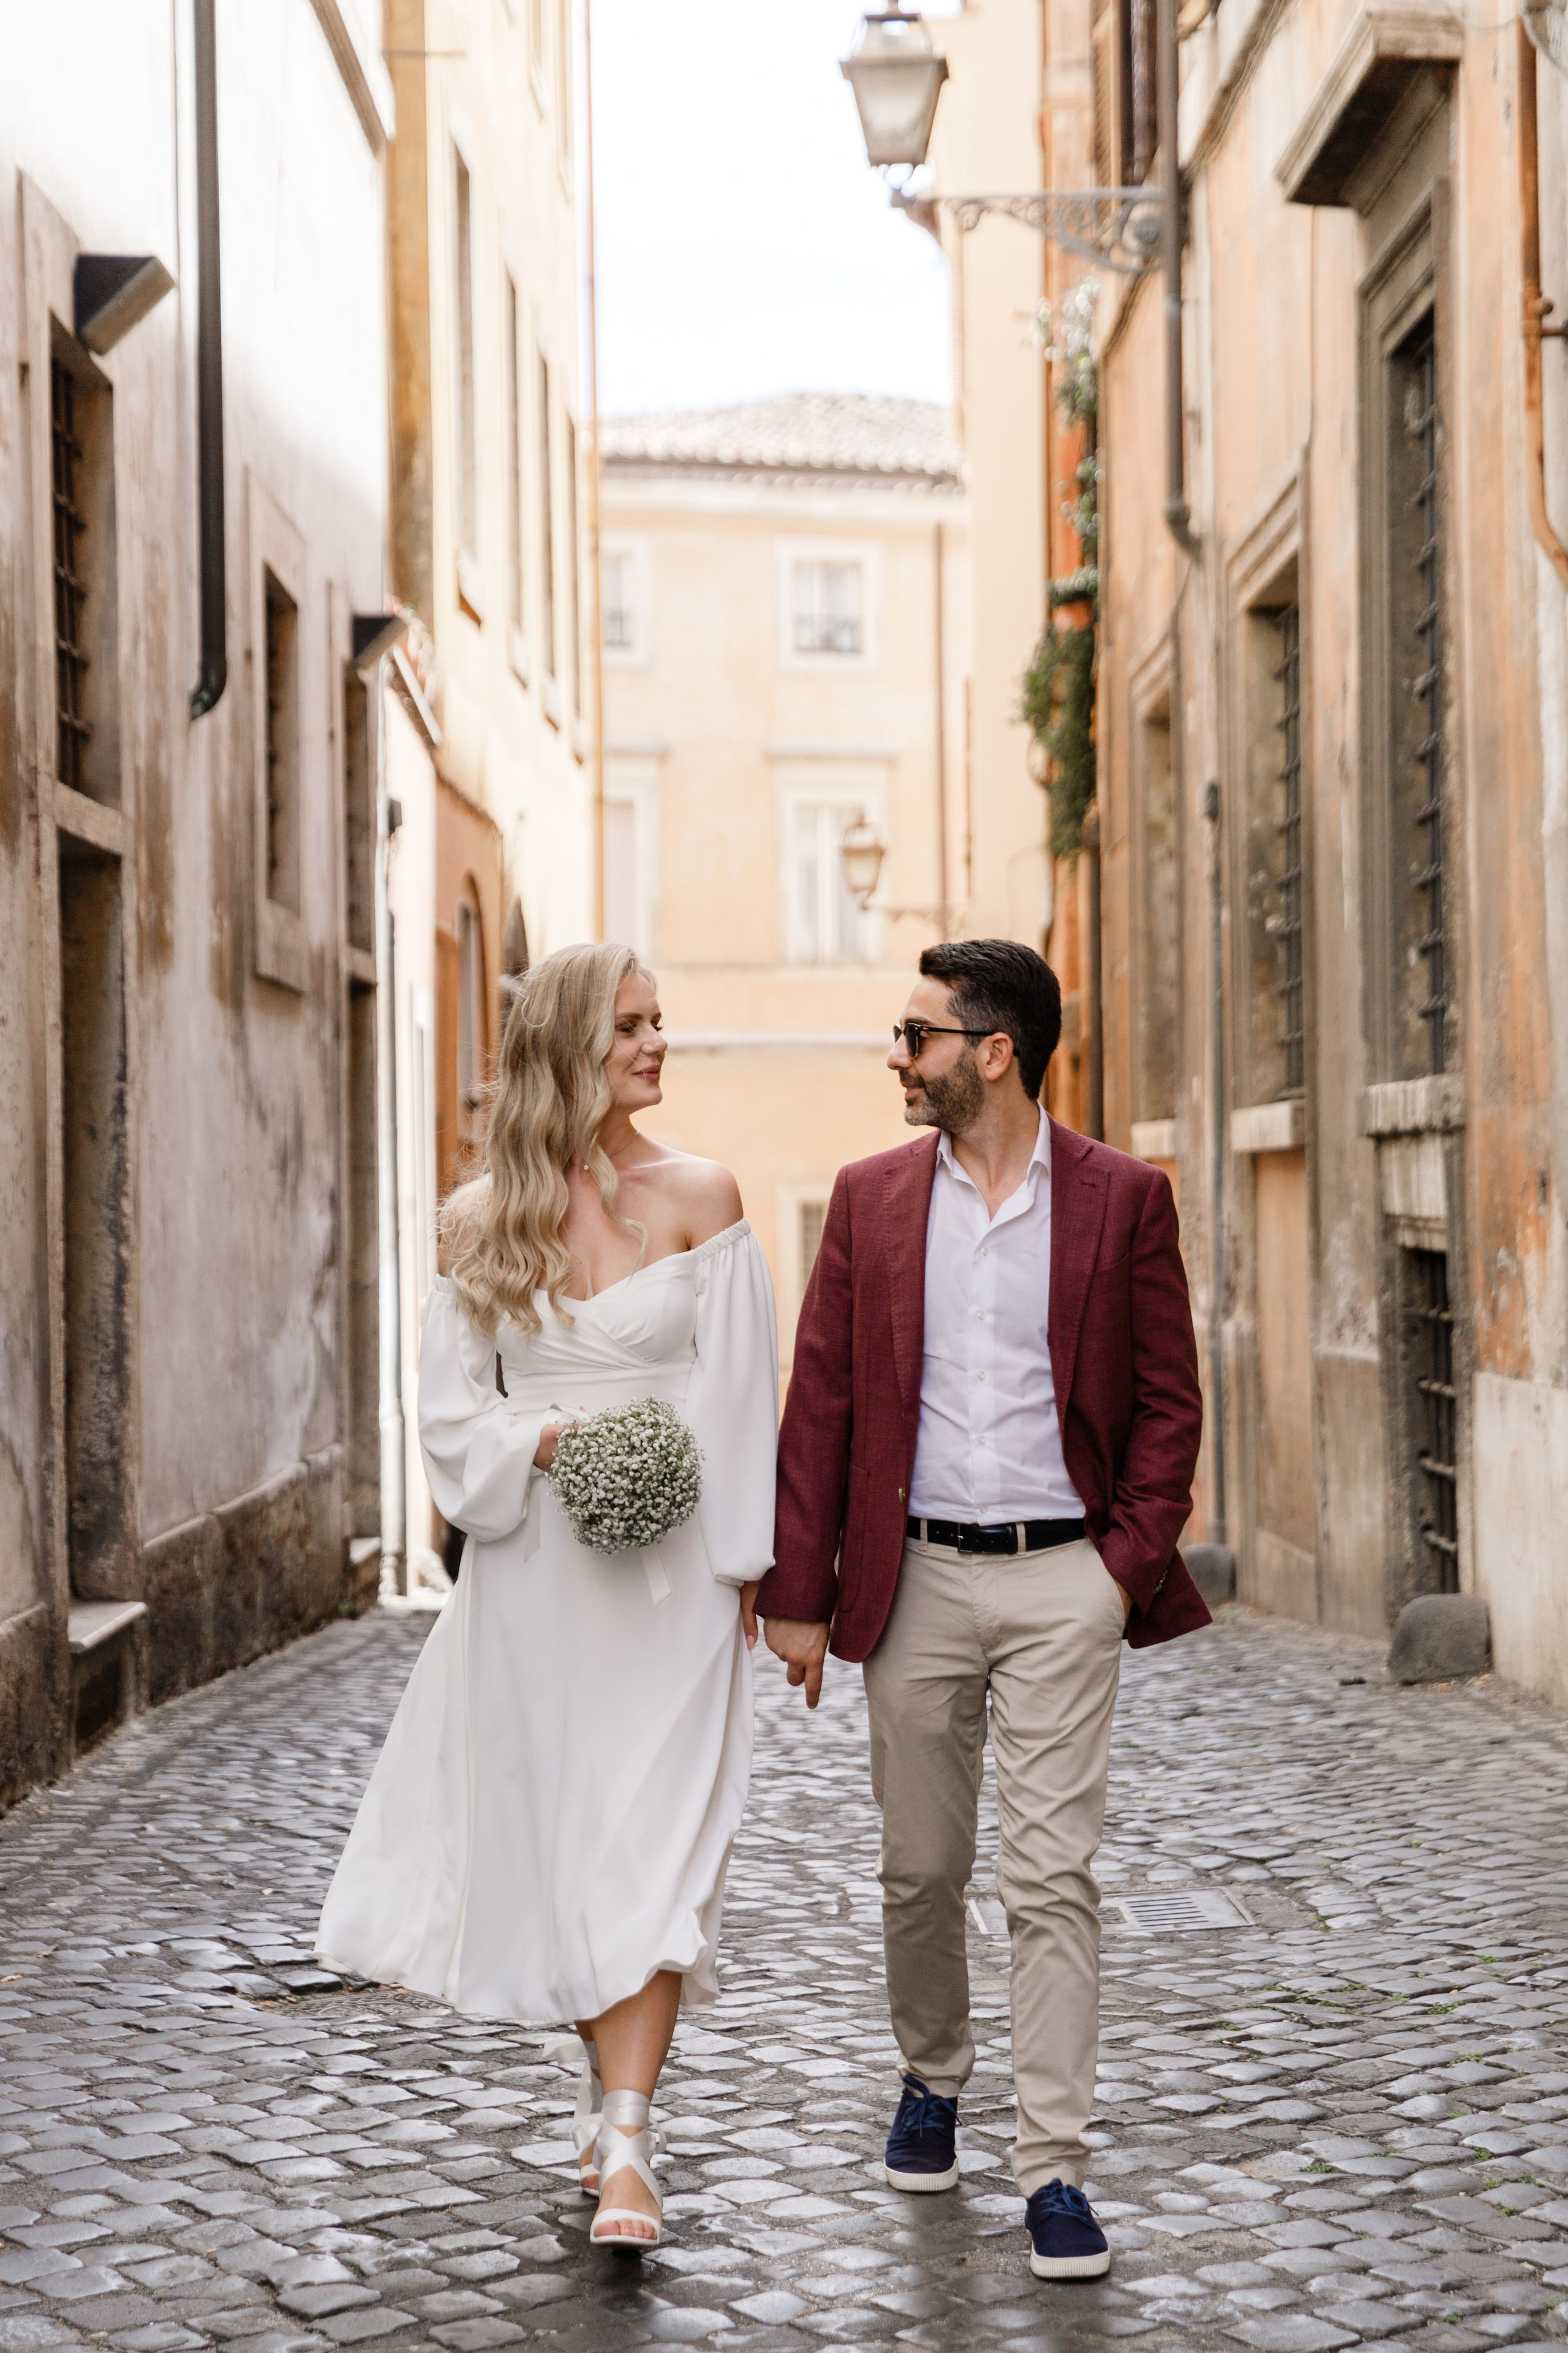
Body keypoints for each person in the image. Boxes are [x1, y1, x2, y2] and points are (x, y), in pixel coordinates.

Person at [756, 939, 1208, 2284]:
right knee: (920, 1869)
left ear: (991, 1051)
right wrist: (798, 1596)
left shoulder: (1124, 1200)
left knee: (1051, 1878)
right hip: (914, 1582)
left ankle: (1054, 2167)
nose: (896, 1058)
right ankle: (930, 2076)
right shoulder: (869, 1201)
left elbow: (1169, 1405)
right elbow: (820, 1401)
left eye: (915, 1036)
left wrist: (1116, 1567)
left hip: (1062, 1577)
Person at [317, 942, 778, 2252]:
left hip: (674, 1589)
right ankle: (608, 2097)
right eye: (627, 1024)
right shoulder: (477, 1222)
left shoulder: (704, 1196)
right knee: (568, 1849)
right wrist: (543, 1446)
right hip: (534, 1587)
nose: (654, 1042)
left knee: (654, 1850)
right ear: (567, 1044)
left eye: (657, 1020)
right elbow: (451, 1418)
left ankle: (626, 2141)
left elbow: (741, 1398)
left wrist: (751, 1571)